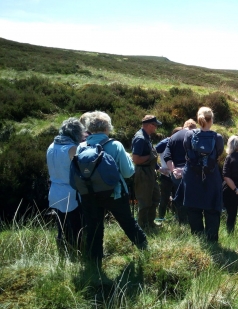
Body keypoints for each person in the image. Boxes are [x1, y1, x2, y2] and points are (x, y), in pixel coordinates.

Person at [80, 111, 147, 266]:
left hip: (89, 194)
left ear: (89, 127)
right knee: (128, 223)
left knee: (94, 228)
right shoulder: (115, 145)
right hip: (114, 193)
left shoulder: (82, 147)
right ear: (107, 128)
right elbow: (128, 172)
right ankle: (145, 249)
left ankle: (94, 262)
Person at [181, 107, 224, 242]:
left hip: (192, 177)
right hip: (211, 176)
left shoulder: (188, 135)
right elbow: (219, 153)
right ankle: (212, 240)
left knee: (193, 208)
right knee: (212, 209)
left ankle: (198, 239)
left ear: (199, 120)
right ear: (212, 120)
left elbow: (186, 150)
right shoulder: (218, 138)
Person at [46, 117, 85, 252]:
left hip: (54, 191)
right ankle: (78, 252)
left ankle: (63, 252)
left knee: (61, 226)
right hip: (70, 193)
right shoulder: (72, 149)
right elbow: (81, 171)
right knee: (76, 227)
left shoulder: (51, 146)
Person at [131, 115, 162, 230]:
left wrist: (158, 167)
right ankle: (143, 226)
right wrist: (150, 157)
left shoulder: (146, 137)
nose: (156, 128)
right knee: (144, 200)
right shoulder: (140, 138)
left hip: (149, 171)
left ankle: (150, 222)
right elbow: (136, 159)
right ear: (149, 125)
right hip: (143, 172)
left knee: (155, 196)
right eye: (155, 125)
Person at [164, 119, 197, 224]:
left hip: (177, 174)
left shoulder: (173, 137)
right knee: (192, 198)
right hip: (192, 173)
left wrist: (174, 170)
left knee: (179, 198)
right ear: (194, 127)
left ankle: (182, 222)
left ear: (184, 126)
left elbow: (167, 157)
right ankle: (194, 223)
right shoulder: (195, 135)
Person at [155, 126, 182, 220]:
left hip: (177, 175)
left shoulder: (180, 143)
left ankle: (176, 217)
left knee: (177, 197)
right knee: (164, 198)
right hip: (166, 175)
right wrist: (158, 168)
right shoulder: (165, 143)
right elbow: (152, 153)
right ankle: (160, 218)